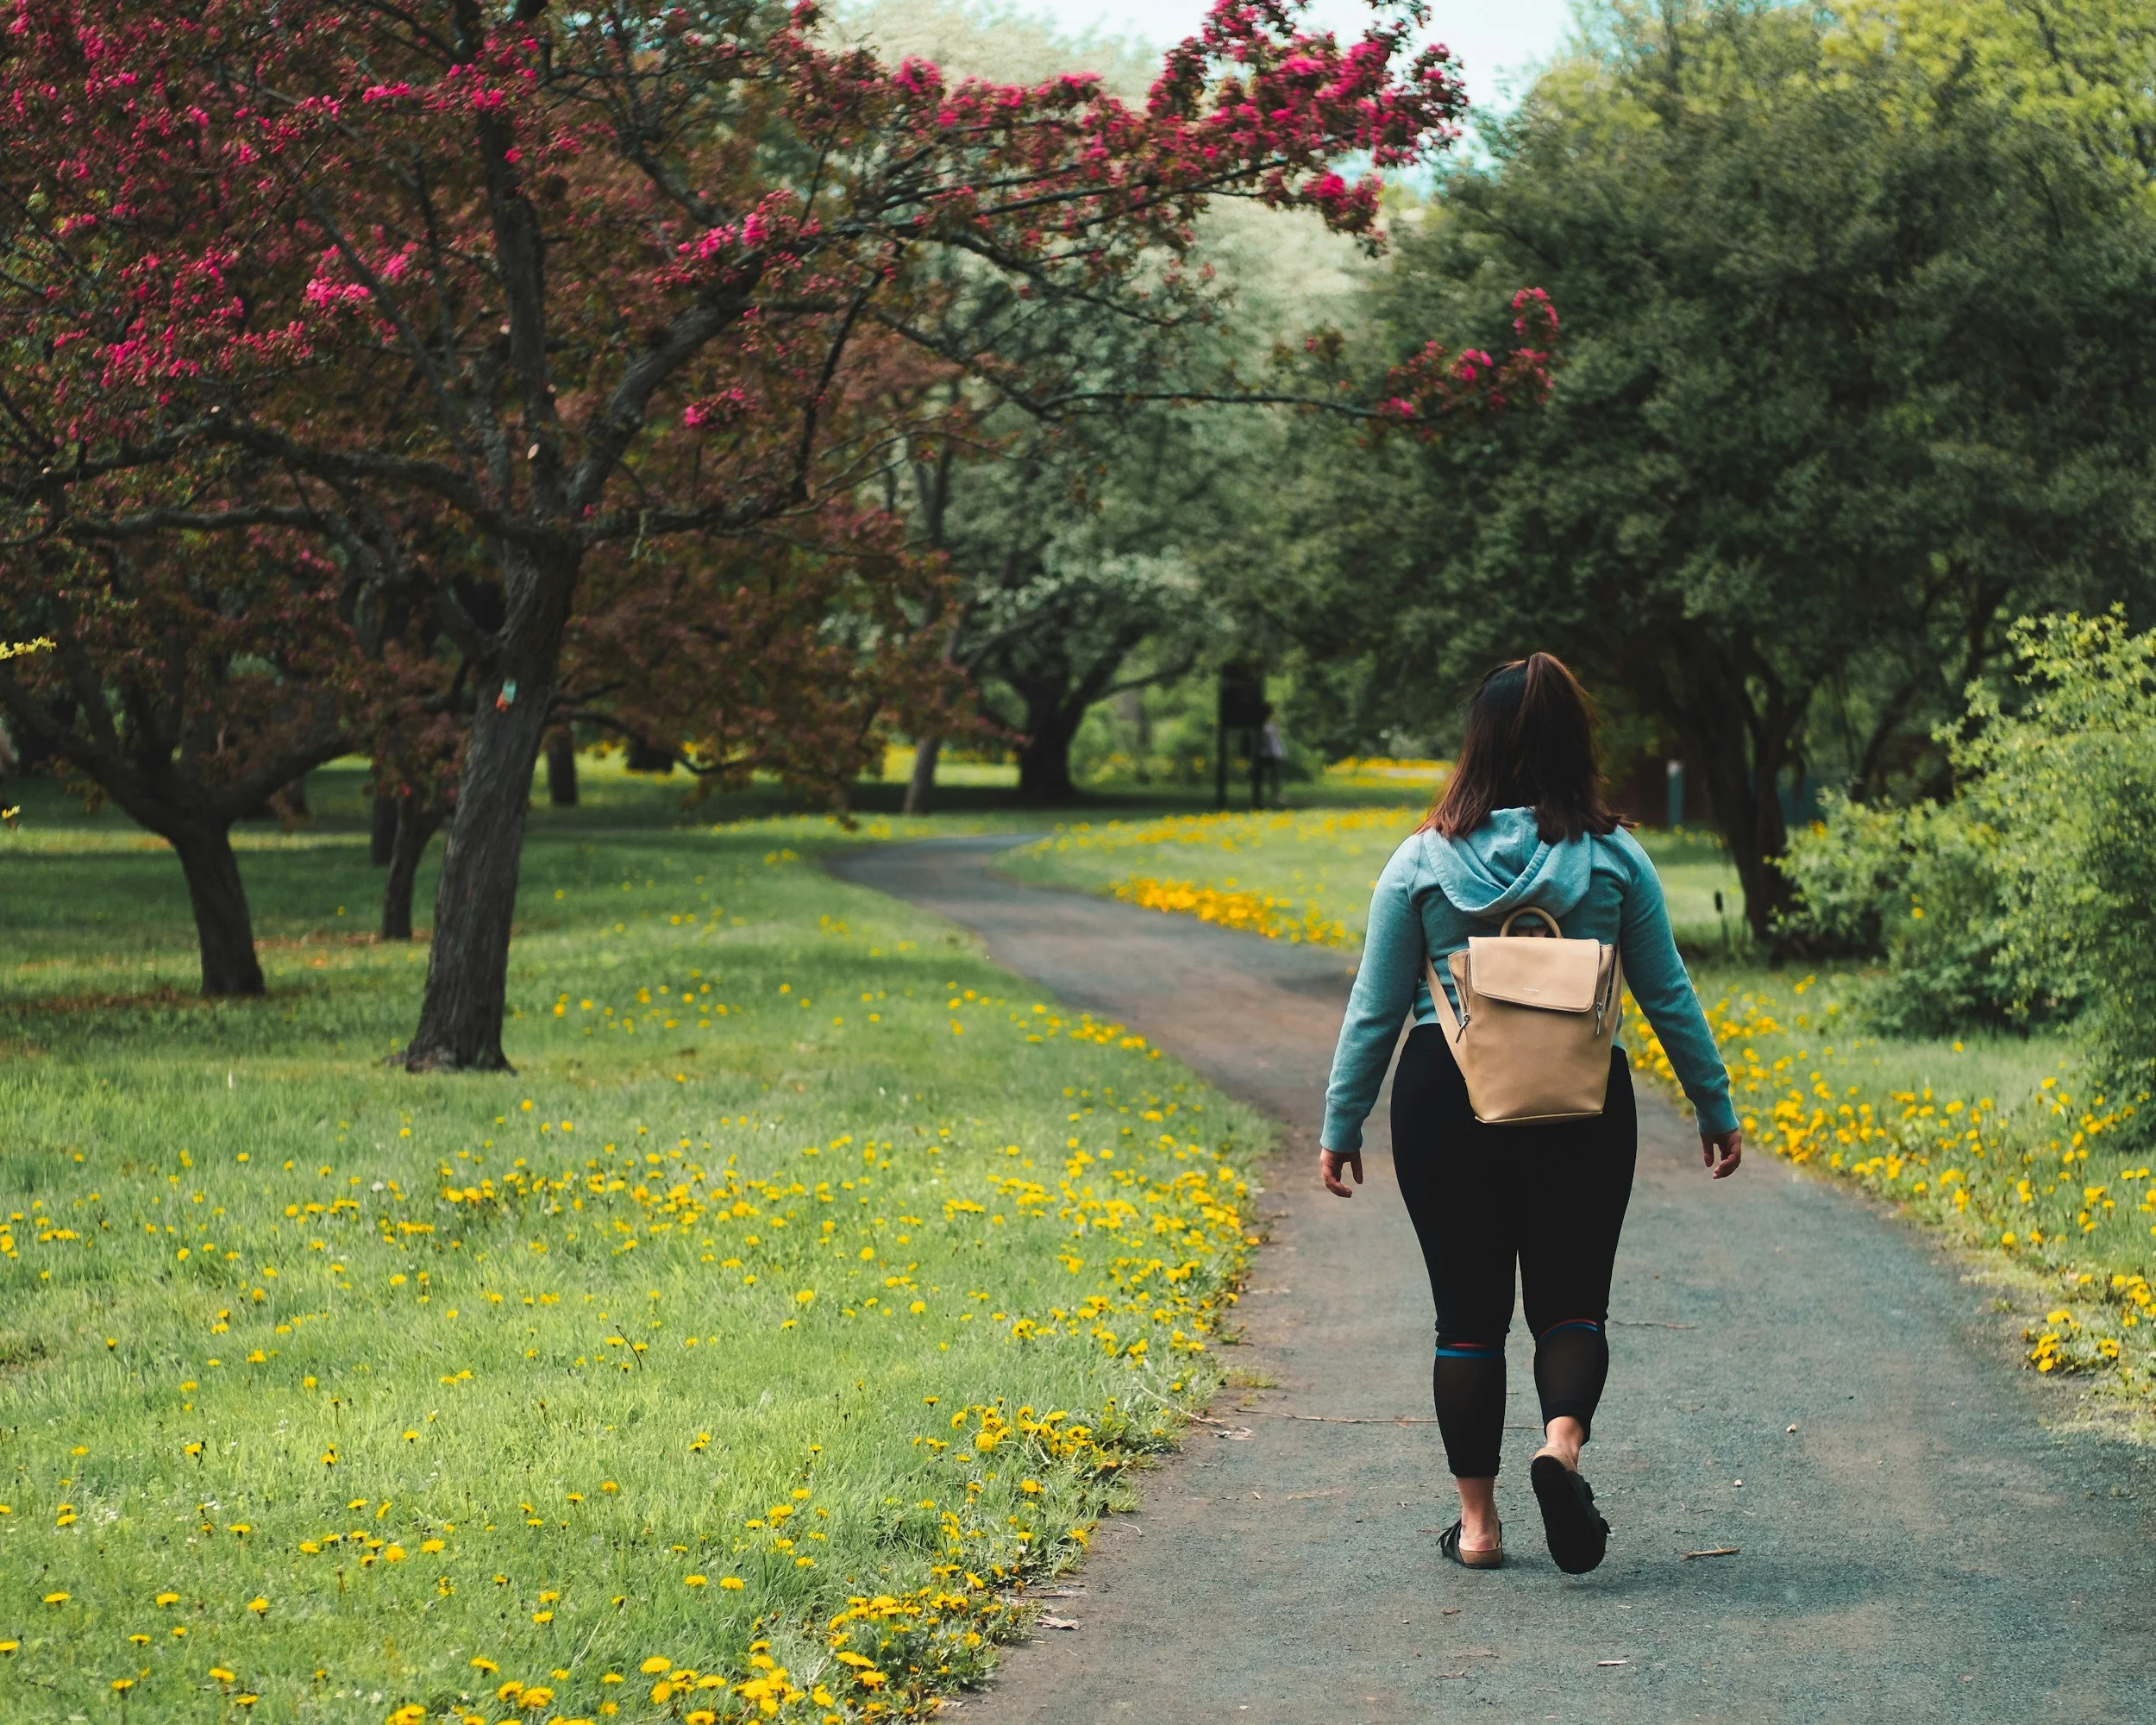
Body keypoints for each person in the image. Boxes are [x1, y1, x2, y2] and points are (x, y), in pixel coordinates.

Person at [1317, 653, 1742, 1575]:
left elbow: (1376, 1004)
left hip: (1445, 1093)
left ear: (1476, 745)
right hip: (1581, 1097)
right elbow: (1667, 994)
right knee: (1570, 1302)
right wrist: (1713, 1103)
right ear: (1571, 746)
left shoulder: (1422, 859)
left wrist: (1341, 1120)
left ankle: (1475, 1527)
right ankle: (1558, 1449)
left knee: (1466, 1318)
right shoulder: (1613, 857)